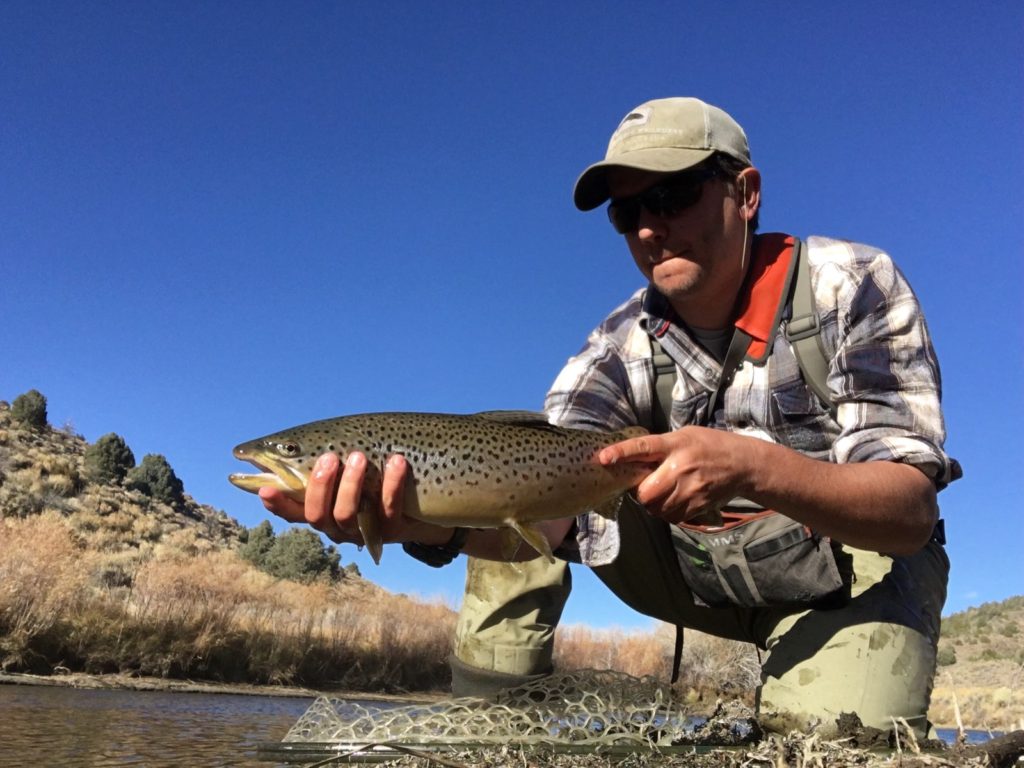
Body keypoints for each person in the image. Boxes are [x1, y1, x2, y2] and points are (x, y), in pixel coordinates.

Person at [261, 97, 959, 736]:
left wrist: (755, 467)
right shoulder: (615, 344)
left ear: (745, 194)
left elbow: (908, 511)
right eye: (627, 214)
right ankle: (486, 731)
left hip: (849, 575)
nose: (650, 228)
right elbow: (549, 524)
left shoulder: (852, 283)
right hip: (692, 567)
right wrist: (431, 528)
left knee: (830, 738)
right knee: (507, 487)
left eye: (674, 195)